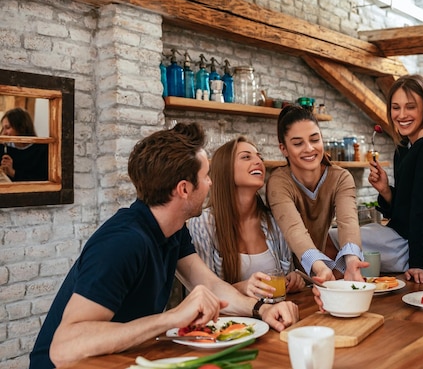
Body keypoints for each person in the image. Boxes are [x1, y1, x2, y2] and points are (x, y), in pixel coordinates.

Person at [29, 123, 298, 369]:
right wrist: (171, 318)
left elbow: (209, 285)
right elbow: (63, 348)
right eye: (206, 176)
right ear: (183, 189)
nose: (211, 183)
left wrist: (261, 309)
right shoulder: (123, 242)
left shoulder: (174, 228)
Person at [187, 136, 305, 299]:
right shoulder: (203, 223)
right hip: (230, 322)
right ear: (225, 169)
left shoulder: (274, 221)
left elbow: (286, 278)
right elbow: (203, 293)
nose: (258, 161)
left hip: (277, 316)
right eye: (246, 157)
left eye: (259, 157)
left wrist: (293, 280)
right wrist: (242, 287)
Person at [362, 74, 423, 283]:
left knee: (333, 240)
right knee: (342, 238)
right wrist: (385, 190)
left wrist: (419, 263)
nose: (401, 115)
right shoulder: (405, 147)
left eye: (410, 107)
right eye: (396, 107)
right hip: (407, 240)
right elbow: (405, 210)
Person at [266, 104, 366, 282]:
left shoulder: (341, 178)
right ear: (283, 149)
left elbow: (348, 222)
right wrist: (320, 266)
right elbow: (294, 230)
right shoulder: (278, 182)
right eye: (298, 143)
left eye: (314, 139)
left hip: (319, 275)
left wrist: (352, 261)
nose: (309, 148)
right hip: (285, 276)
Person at [1, 107, 48, 181]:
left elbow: (42, 180)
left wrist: (13, 173)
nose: (3, 133)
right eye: (3, 128)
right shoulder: (3, 148)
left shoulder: (42, 150)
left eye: (8, 127)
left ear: (21, 128)